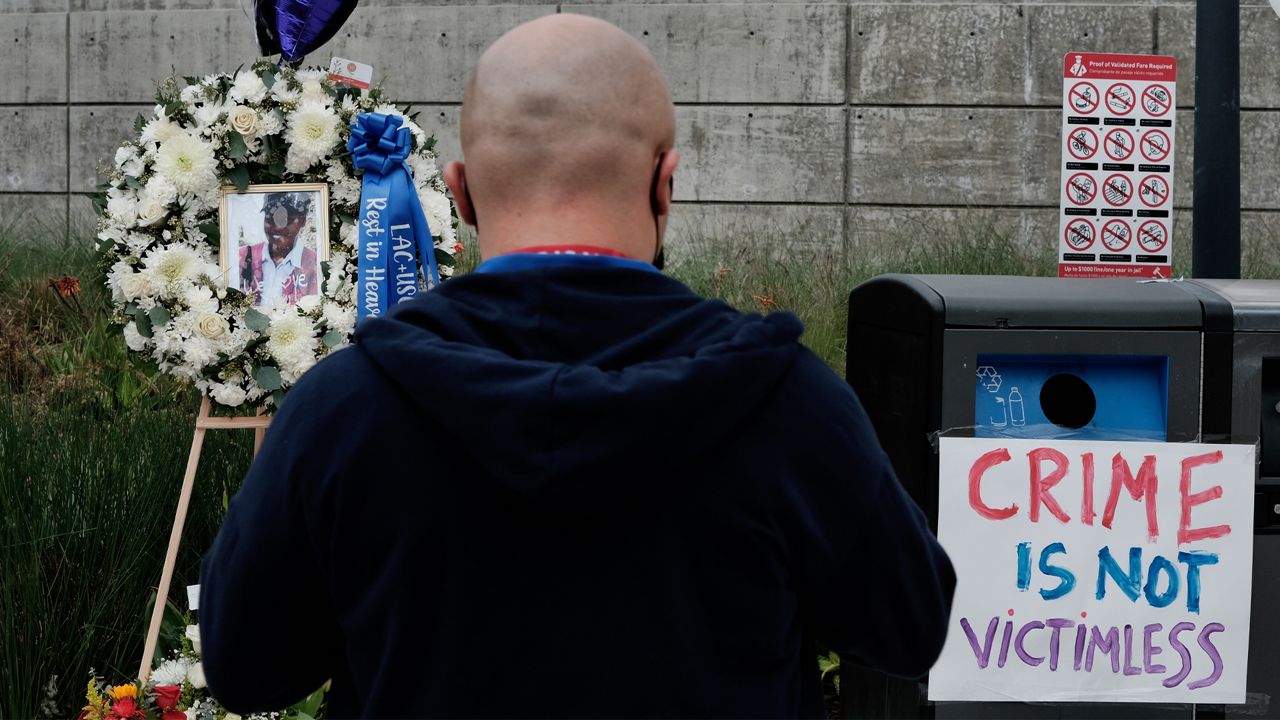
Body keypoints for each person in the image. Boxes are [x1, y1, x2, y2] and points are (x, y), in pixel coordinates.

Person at [198, 13, 954, 718]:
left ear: (459, 194)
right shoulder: (790, 404)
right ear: (666, 182)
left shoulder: (343, 409)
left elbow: (245, 670)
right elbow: (907, 629)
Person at [237, 191, 320, 306]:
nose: (278, 226)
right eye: (271, 217)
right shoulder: (241, 257)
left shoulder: (315, 264)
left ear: (302, 221)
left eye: (288, 218)